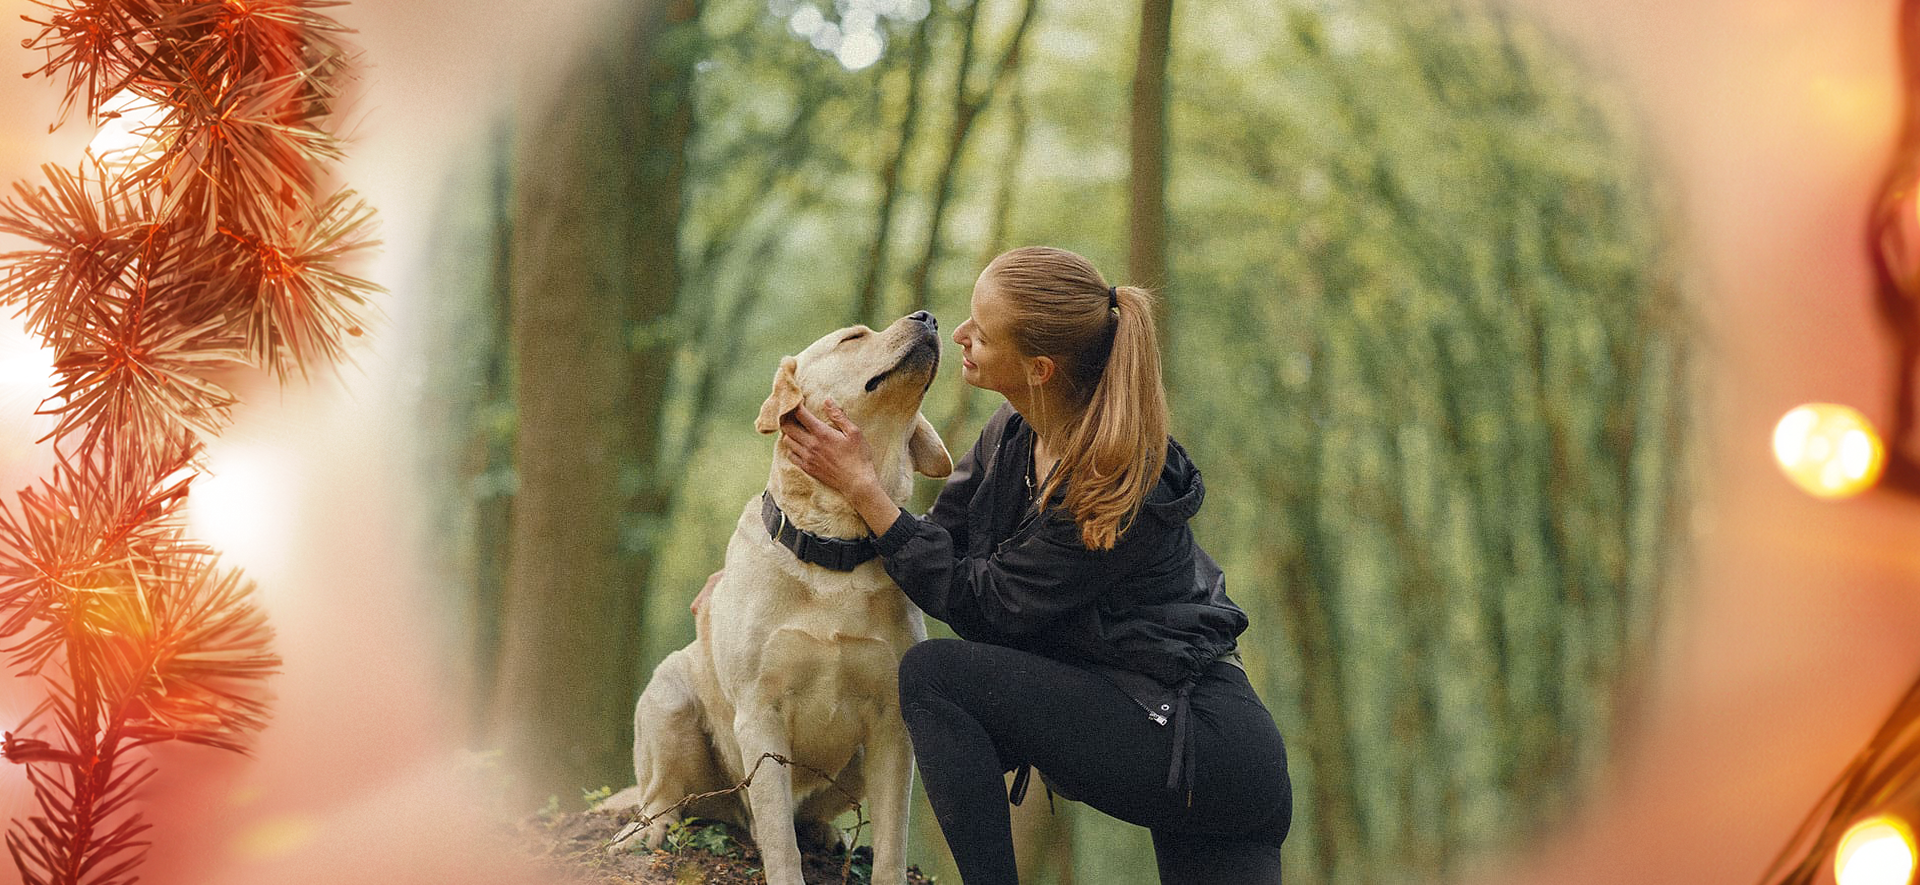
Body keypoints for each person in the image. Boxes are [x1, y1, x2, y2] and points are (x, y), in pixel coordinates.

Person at [778, 246, 1291, 883]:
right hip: (1153, 729)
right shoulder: (1013, 434)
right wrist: (778, 562)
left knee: (936, 676)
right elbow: (934, 544)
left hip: (1205, 751)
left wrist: (864, 490)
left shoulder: (1120, 483)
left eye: (983, 335)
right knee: (943, 684)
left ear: (1040, 368)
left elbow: (986, 602)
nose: (958, 335)